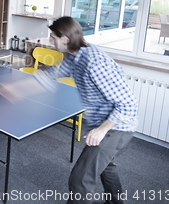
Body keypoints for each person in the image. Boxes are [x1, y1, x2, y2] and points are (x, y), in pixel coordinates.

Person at [45, 16, 137, 204]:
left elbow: (128, 104)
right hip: (102, 122)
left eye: (53, 37)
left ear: (65, 39)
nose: (50, 41)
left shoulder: (94, 63)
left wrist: (101, 130)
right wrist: (18, 86)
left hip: (116, 127)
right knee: (106, 167)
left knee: (80, 179)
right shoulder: (73, 55)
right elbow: (54, 74)